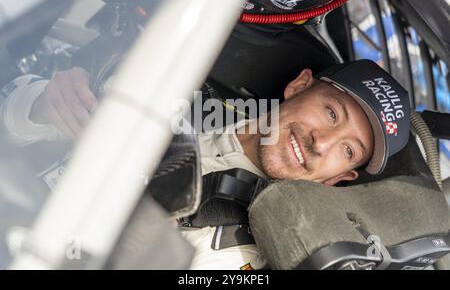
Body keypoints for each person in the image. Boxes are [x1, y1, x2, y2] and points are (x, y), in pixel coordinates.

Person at [0, 59, 411, 269]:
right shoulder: (187, 86)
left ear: (340, 178)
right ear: (299, 85)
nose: (322, 143)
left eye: (349, 150)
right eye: (332, 113)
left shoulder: (256, 251)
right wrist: (41, 103)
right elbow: (13, 112)